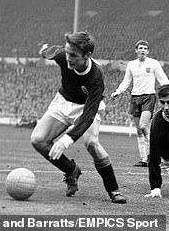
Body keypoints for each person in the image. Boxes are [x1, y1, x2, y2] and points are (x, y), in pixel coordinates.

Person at [30, 31, 126, 204]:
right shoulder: (62, 56)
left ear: (87, 55)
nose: (68, 58)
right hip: (63, 101)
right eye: (67, 53)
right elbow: (51, 50)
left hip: (86, 107)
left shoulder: (96, 77)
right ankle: (71, 170)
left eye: (73, 55)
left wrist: (66, 140)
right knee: (38, 140)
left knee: (92, 144)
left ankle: (113, 189)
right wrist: (43, 49)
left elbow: (88, 115)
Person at [111, 40, 169, 167]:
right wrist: (118, 92)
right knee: (139, 130)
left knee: (144, 126)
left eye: (145, 48)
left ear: (148, 51)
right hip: (135, 97)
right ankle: (144, 159)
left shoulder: (153, 63)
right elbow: (126, 81)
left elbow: (163, 79)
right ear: (136, 50)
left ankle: (153, 155)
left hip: (149, 96)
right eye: (140, 48)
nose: (143, 50)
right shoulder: (131, 65)